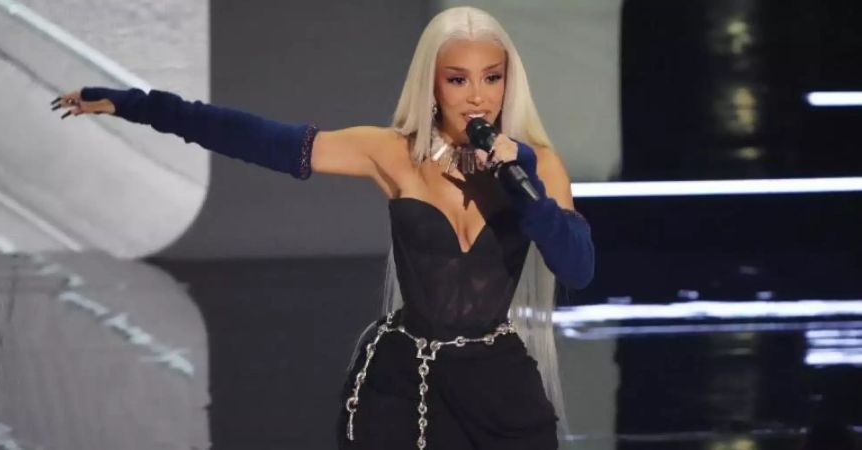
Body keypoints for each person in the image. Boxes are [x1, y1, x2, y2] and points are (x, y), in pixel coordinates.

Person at [52, 6, 594, 449]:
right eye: (458, 80)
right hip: (404, 384)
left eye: (491, 78)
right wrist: (139, 106)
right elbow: (260, 138)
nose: (477, 96)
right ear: (432, 86)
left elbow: (579, 266)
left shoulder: (538, 166)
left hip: (499, 385)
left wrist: (521, 185)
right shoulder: (393, 153)